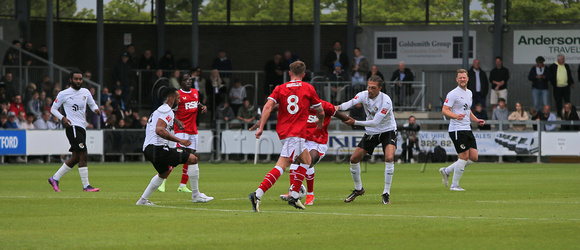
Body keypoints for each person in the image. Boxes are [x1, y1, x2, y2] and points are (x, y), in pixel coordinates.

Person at [248, 60, 324, 212]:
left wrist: (261, 127)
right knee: (282, 165)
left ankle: (294, 196)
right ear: (304, 74)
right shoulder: (308, 88)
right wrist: (320, 122)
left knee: (306, 161)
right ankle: (257, 194)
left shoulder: (280, 88)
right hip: (294, 134)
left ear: (289, 73)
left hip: (287, 132)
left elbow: (268, 106)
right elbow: (320, 110)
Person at [255, 100, 350, 206]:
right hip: (303, 140)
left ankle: (310, 195)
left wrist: (353, 122)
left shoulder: (325, 106)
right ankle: (292, 191)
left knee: (308, 162)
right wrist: (261, 121)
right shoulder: (299, 105)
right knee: (294, 162)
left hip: (318, 142)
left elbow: (341, 116)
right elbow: (276, 107)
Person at [335, 75, 397, 205]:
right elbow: (350, 103)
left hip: (387, 130)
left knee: (389, 158)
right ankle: (358, 189)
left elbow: (375, 122)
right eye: (368, 87)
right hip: (371, 132)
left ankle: (386, 193)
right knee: (353, 159)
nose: (370, 90)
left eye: (373, 88)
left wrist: (355, 122)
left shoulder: (386, 101)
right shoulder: (363, 95)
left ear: (380, 88)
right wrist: (337, 107)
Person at [136, 87, 200, 206]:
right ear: (171, 98)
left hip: (148, 149)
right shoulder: (167, 110)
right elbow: (160, 130)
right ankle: (196, 195)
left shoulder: (161, 109)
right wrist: (180, 140)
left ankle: (142, 200)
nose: (180, 101)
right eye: (178, 98)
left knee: (164, 173)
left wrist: (176, 120)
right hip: (157, 148)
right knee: (193, 159)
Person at [157, 73, 213, 202]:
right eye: (185, 80)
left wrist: (202, 107)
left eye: (190, 80)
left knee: (191, 156)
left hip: (193, 129)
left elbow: (196, 103)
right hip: (181, 129)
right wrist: (176, 121)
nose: (188, 82)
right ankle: (162, 181)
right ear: (180, 82)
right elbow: (169, 110)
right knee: (178, 156)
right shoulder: (177, 95)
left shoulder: (195, 92)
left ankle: (182, 185)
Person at [47, 69, 101, 192]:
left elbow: (92, 105)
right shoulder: (63, 94)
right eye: (76, 79)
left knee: (76, 157)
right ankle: (86, 186)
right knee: (83, 154)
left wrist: (96, 110)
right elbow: (53, 109)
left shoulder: (85, 92)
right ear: (71, 80)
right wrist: (63, 118)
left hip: (81, 127)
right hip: (72, 127)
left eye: (80, 79)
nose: (78, 81)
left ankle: (54, 178)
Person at [439, 69, 485, 191]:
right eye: (460, 78)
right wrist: (455, 116)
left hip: (467, 128)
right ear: (457, 79)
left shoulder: (469, 93)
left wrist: (476, 120)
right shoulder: (453, 94)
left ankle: (447, 170)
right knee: (463, 156)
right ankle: (454, 185)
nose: (462, 79)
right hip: (457, 129)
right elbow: (445, 110)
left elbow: (467, 110)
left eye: (464, 77)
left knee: (474, 157)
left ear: (467, 79)